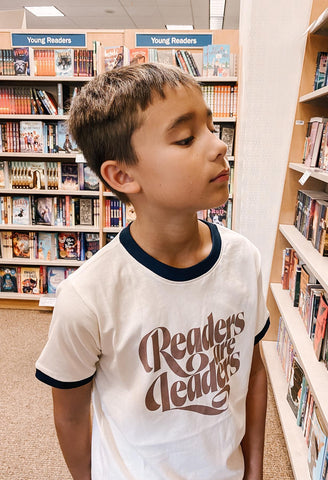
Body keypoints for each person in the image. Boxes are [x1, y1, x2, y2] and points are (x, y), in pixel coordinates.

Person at [35, 63, 270, 480]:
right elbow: (70, 414)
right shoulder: (87, 296)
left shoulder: (244, 259)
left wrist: (254, 467)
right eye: (186, 138)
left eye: (212, 127)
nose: (218, 146)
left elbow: (251, 370)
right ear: (122, 175)